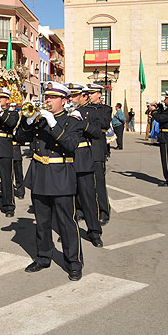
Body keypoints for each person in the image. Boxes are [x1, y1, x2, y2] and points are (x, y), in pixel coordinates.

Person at [16, 81, 83, 281]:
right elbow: (19, 138)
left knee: (66, 222)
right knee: (42, 221)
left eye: (52, 97)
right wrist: (27, 122)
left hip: (61, 175)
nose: (48, 100)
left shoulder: (72, 120)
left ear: (64, 100)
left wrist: (53, 124)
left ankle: (74, 262)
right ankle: (43, 256)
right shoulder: (38, 119)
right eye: (47, 97)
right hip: (40, 174)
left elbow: (71, 144)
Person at [66, 83, 103, 247]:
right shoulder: (62, 113)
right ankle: (69, 230)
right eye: (69, 96)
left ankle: (94, 232)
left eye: (74, 96)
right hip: (65, 160)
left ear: (84, 96)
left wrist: (81, 121)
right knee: (68, 200)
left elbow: (97, 132)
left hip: (83, 157)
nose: (71, 99)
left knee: (88, 197)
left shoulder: (91, 112)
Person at [0, 87, 19, 217]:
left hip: (4, 147)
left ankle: (9, 206)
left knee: (6, 178)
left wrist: (1, 111)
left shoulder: (12, 113)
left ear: (7, 100)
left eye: (1, 97)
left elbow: (11, 124)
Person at [86, 84, 112, 225]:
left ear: (99, 94)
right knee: (83, 181)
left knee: (99, 181)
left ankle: (103, 211)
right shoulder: (85, 108)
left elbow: (105, 124)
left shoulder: (105, 109)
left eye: (92, 92)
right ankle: (81, 209)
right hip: (84, 148)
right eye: (88, 93)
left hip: (97, 146)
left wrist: (88, 117)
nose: (89, 95)